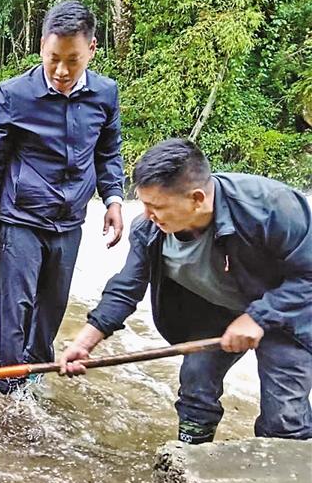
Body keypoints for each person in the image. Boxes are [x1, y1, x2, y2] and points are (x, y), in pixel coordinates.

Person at [59, 138, 312, 443]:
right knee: (196, 387)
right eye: (144, 204)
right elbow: (126, 289)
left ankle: (284, 467)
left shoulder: (272, 208)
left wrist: (258, 317)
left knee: (284, 418)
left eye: (157, 207)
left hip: (286, 312)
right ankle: (189, 458)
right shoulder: (149, 230)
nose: (147, 215)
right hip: (216, 312)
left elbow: (308, 275)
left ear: (197, 199)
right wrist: (84, 343)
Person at [0, 0, 125, 394]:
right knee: (16, 304)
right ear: (42, 47)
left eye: (73, 60)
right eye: (54, 58)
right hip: (21, 215)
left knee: (53, 306)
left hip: (70, 219)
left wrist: (113, 199)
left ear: (91, 50)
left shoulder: (105, 94)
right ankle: (10, 385)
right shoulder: (15, 95)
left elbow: (108, 152)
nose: (61, 70)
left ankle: (35, 373)